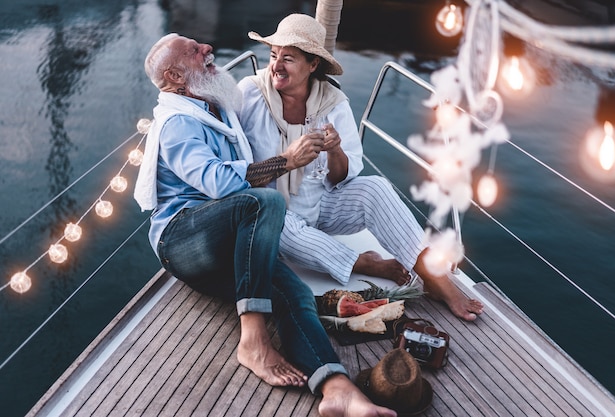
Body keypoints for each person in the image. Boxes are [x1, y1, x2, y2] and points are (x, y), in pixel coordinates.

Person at [134, 33, 397, 417]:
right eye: (194, 50)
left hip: (225, 237)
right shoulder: (177, 124)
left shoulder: (215, 108)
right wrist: (286, 161)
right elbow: (219, 183)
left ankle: (337, 388)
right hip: (182, 239)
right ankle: (253, 338)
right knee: (265, 203)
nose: (208, 48)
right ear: (174, 77)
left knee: (295, 294)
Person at [239, 13, 484, 321]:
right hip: (276, 211)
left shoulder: (333, 103)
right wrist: (288, 159)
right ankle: (364, 263)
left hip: (320, 205)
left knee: (376, 187)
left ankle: (436, 277)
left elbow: (343, 177)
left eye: (288, 59)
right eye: (273, 56)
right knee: (277, 220)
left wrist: (336, 150)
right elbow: (236, 172)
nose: (275, 66)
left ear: (313, 65)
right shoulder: (249, 94)